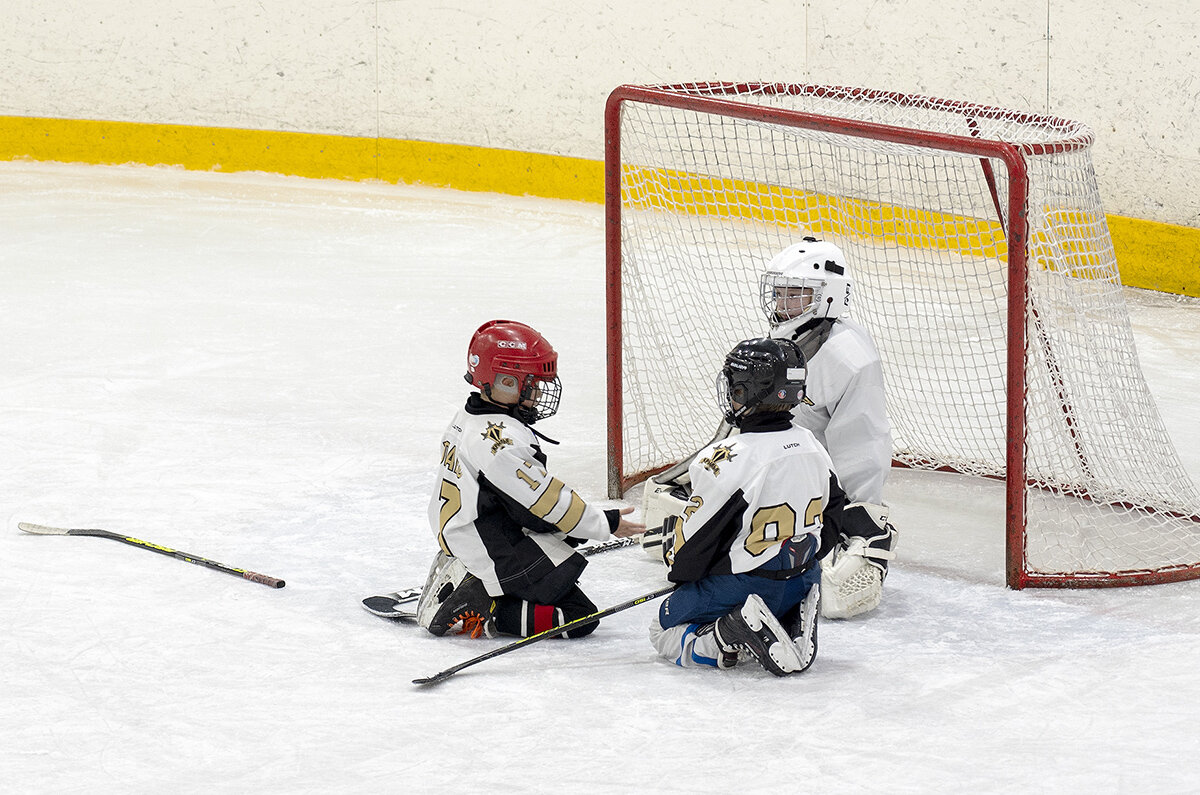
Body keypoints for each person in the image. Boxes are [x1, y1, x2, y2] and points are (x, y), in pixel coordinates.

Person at [643, 237, 896, 619]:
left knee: (834, 592)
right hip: (778, 468)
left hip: (809, 480)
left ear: (829, 296)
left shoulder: (849, 358)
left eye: (794, 294)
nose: (781, 304)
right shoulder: (795, 334)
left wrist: (856, 517)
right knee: (664, 500)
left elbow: (864, 445)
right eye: (778, 293)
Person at [648, 337, 890, 675]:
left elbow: (694, 547)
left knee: (662, 630)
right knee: (776, 577)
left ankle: (728, 633)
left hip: (748, 585)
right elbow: (834, 517)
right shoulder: (813, 446)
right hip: (805, 579)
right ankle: (791, 622)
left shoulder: (724, 459)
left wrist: (683, 581)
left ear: (745, 392)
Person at [415, 319, 644, 639]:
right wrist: (603, 523)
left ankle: (483, 579)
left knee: (561, 548)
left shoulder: (469, 416)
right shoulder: (501, 443)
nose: (536, 393)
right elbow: (546, 505)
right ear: (503, 382)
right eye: (529, 384)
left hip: (465, 531)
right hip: (489, 545)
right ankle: (491, 607)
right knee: (580, 617)